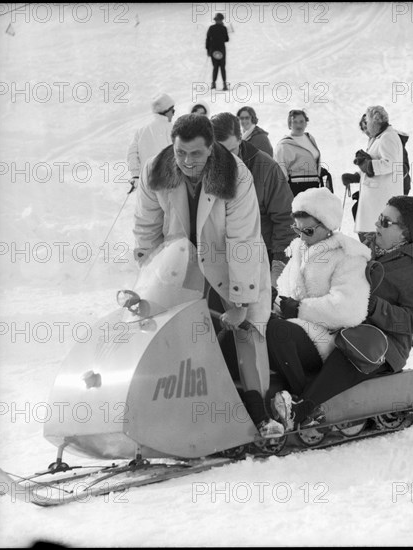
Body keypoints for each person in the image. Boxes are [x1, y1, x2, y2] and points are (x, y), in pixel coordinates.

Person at [133, 114, 283, 438]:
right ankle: (189, 419)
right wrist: (149, 282)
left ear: (211, 148)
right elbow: (146, 231)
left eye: (196, 154)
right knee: (183, 342)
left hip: (232, 268)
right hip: (183, 268)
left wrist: (241, 299)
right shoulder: (155, 170)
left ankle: (261, 418)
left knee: (246, 337)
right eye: (180, 153)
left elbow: (242, 240)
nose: (187, 161)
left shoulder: (235, 176)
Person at [272, 194, 413, 431]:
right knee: (288, 334)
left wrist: (372, 305)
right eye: (380, 218)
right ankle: (294, 396)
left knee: (351, 350)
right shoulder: (363, 246)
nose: (377, 224)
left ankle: (304, 409)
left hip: (382, 344)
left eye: (387, 222)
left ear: (405, 232)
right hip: (344, 324)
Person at [265, 187, 372, 427]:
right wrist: (273, 302)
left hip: (329, 338)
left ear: (327, 225)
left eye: (309, 230)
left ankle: (306, 404)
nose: (302, 236)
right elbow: (285, 291)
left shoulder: (348, 256)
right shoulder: (299, 250)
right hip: (299, 327)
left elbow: (348, 310)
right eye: (297, 229)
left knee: (276, 332)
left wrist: (300, 309)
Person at [210, 112, 295, 276]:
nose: (226, 159)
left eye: (231, 150)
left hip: (258, 260)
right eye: (218, 152)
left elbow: (286, 217)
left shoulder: (266, 168)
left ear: (241, 139)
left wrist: (279, 263)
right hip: (214, 260)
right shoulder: (199, 166)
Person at [353, 105, 404, 239]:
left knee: (377, 234)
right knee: (372, 234)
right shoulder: (379, 137)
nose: (367, 126)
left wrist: (368, 165)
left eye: (368, 122)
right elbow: (375, 161)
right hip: (375, 198)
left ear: (375, 122)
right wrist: (355, 176)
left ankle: (376, 258)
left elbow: (390, 163)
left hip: (381, 198)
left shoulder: (388, 137)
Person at [127, 93, 175, 191]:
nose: (174, 113)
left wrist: (135, 175)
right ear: (165, 111)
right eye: (172, 110)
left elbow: (132, 153)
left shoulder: (141, 130)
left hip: (146, 184)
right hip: (168, 185)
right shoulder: (172, 129)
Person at [274, 109, 323, 197]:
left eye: (301, 121)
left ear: (306, 123)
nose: (298, 125)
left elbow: (314, 159)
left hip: (314, 186)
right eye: (295, 122)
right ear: (289, 124)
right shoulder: (283, 145)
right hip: (296, 189)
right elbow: (281, 171)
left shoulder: (310, 138)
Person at [342, 113, 371, 223]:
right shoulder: (373, 142)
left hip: (386, 192)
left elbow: (381, 167)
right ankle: (367, 240)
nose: (366, 131)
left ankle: (370, 240)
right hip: (374, 191)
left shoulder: (386, 140)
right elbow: (369, 169)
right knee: (357, 210)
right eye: (364, 128)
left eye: (367, 126)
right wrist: (355, 177)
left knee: (359, 211)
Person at [205, 13, 229, 91]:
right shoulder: (223, 28)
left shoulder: (211, 28)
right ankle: (224, 84)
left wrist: (208, 50)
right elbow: (226, 39)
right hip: (221, 50)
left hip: (213, 50)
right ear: (221, 20)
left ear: (215, 20)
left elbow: (207, 40)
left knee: (215, 67)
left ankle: (213, 84)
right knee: (222, 67)